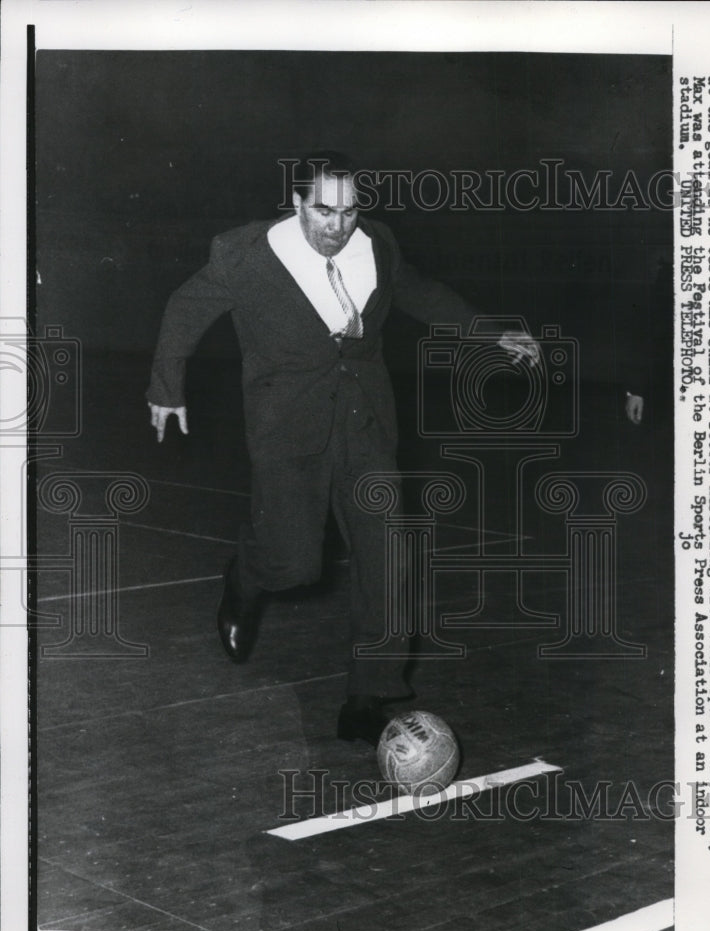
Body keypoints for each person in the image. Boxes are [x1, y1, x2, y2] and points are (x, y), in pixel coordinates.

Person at [147, 152, 540, 747]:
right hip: (286, 425)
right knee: (293, 562)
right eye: (323, 210)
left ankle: (369, 693)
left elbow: (421, 293)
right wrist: (166, 389)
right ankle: (247, 577)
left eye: (349, 210)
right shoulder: (245, 254)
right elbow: (184, 308)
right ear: (297, 203)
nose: (337, 225)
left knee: (388, 557)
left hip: (366, 422)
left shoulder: (377, 243)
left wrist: (491, 332)